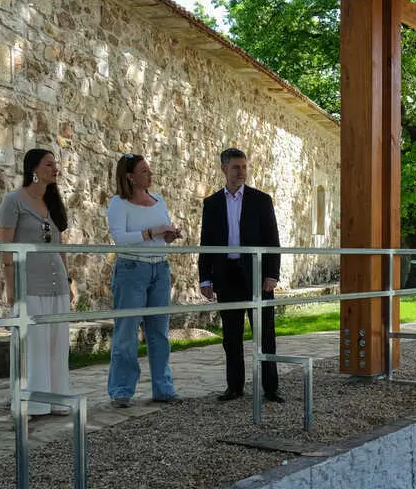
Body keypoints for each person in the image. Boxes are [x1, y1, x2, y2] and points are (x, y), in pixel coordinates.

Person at [198, 148, 284, 403]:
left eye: (244, 167)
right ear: (224, 168)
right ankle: (234, 387)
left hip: (257, 275)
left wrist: (272, 274)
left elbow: (272, 240)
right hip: (227, 276)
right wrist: (205, 278)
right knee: (231, 336)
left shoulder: (261, 200)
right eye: (236, 167)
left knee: (265, 333)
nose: (241, 172)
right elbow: (207, 243)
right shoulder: (212, 204)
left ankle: (271, 387)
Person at [0, 148, 72, 417]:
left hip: (57, 285)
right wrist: (10, 284)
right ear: (34, 169)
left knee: (57, 345)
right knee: (34, 345)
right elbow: (5, 246)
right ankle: (33, 402)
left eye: (56, 164)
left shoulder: (53, 202)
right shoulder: (13, 201)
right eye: (50, 164)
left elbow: (60, 245)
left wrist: (68, 279)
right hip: (30, 283)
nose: (56, 169)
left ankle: (57, 399)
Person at [106, 153, 182, 407]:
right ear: (130, 176)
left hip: (159, 269)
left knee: (159, 331)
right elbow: (120, 238)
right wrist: (153, 232)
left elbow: (161, 233)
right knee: (126, 332)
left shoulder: (158, 200)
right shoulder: (119, 203)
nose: (150, 174)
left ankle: (163, 386)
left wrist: (169, 235)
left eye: (149, 170)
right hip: (131, 269)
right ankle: (121, 389)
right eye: (144, 171)